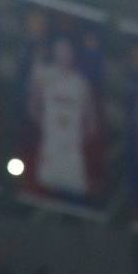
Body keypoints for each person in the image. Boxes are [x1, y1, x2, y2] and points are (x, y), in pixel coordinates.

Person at [31, 36, 96, 197]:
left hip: (73, 157)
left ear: (73, 54)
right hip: (50, 152)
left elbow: (91, 123)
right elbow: (33, 108)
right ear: (54, 51)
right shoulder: (44, 76)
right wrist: (48, 129)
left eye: (67, 51)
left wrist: (75, 139)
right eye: (60, 50)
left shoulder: (81, 84)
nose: (63, 55)